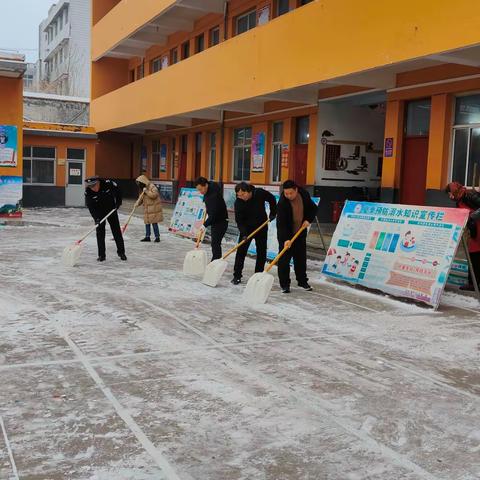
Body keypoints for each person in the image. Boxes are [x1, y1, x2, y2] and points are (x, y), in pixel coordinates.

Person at [276, 179, 318, 293]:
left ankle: (302, 281)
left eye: (290, 193)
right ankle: (285, 285)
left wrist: (308, 220)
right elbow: (281, 225)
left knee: (300, 259)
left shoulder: (304, 194)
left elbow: (313, 208)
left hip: (300, 233)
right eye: (286, 193)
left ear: (296, 190)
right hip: (287, 235)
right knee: (284, 260)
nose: (288, 195)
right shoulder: (282, 204)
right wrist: (285, 239)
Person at [231, 182, 277, 284]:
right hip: (246, 229)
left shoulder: (259, 193)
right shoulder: (238, 202)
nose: (241, 197)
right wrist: (243, 233)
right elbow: (239, 220)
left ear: (249, 191)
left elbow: (272, 198)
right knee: (241, 251)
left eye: (243, 194)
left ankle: (258, 275)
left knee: (261, 252)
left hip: (261, 226)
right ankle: (237, 275)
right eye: (239, 195)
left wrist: (273, 212)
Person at [446, 181, 480, 290]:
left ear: (455, 191)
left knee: (476, 255)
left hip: (478, 227)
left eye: (450, 193)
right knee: (474, 255)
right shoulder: (459, 200)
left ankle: (474, 284)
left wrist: (471, 218)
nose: (450, 196)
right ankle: (473, 283)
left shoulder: (469, 196)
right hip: (474, 229)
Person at [84, 176, 127, 262]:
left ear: (98, 183)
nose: (93, 189)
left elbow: (118, 190)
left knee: (116, 231)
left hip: (111, 209)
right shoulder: (88, 192)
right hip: (99, 213)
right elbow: (91, 207)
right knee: (100, 234)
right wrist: (96, 218)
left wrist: (118, 202)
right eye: (91, 187)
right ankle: (101, 255)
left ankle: (121, 252)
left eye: (94, 186)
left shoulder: (108, 184)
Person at [194, 176, 228, 260]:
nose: (200, 192)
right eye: (198, 190)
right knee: (215, 243)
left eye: (201, 189)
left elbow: (213, 215)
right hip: (216, 220)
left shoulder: (213, 196)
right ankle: (216, 260)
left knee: (215, 243)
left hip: (221, 221)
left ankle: (215, 261)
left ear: (206, 185)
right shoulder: (211, 186)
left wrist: (204, 225)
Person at [135, 175, 163, 243]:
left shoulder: (152, 186)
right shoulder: (143, 189)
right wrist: (137, 203)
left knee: (154, 223)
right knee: (147, 223)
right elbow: (141, 198)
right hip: (147, 209)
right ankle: (147, 237)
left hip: (153, 209)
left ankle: (157, 237)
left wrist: (147, 191)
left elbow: (154, 195)